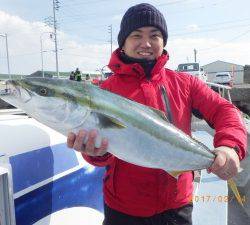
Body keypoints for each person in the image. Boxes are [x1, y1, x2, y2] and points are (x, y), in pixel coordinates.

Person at [67, 3, 247, 225]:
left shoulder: (185, 83)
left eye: (155, 35)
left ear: (164, 41)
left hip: (177, 205)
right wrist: (95, 152)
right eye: (136, 35)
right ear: (123, 43)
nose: (146, 43)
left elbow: (225, 110)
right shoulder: (104, 92)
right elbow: (102, 154)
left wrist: (229, 146)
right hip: (124, 209)